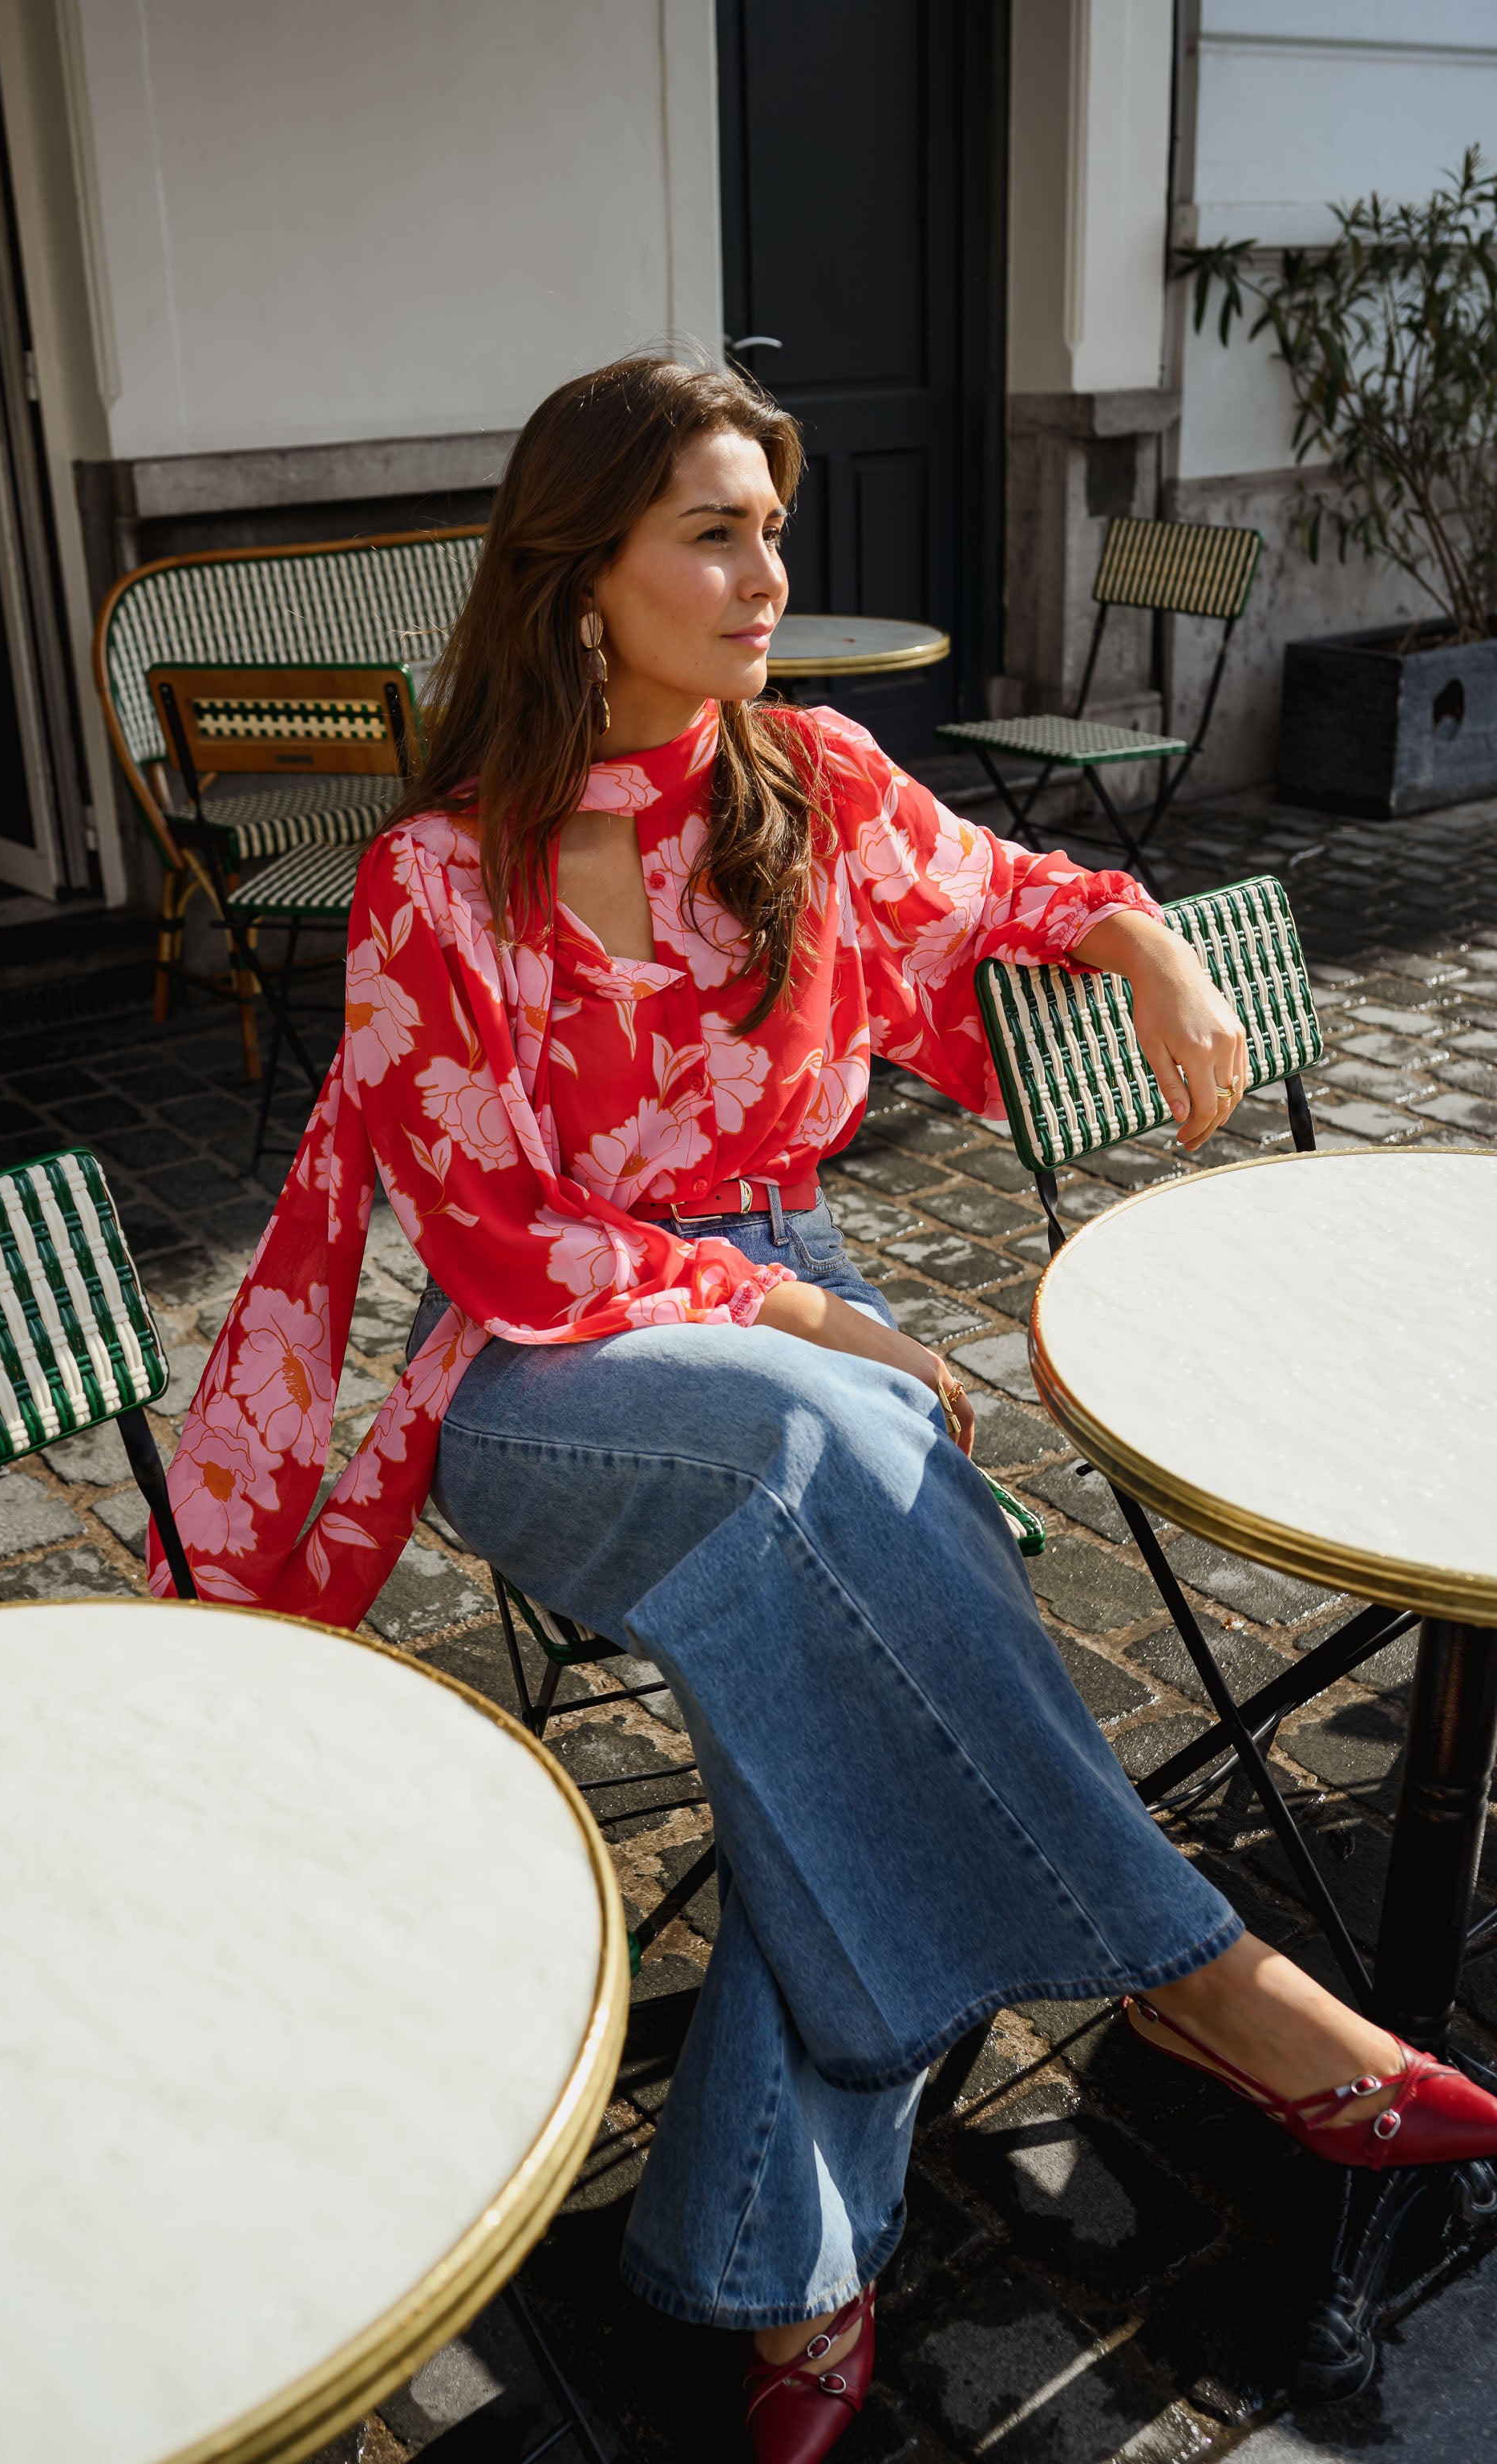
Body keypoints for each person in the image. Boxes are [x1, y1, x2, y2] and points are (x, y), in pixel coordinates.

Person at [152, 355, 1497, 2462]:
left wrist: (1156, 953)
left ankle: (783, 2272)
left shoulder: (817, 780)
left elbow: (1014, 885)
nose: (770, 564)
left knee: (819, 1642)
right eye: (715, 526)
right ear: (579, 578)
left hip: (807, 1311)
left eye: (773, 521)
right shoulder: (436, 878)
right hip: (549, 1371)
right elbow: (498, 1240)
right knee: (834, 1447)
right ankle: (1185, 1966)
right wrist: (789, 1306)